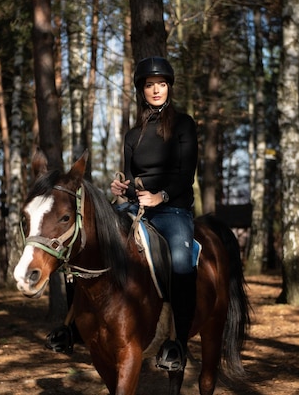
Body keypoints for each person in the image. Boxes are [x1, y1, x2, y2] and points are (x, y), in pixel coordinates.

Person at [111, 56, 198, 372]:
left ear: (169, 87)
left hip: (173, 209)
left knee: (180, 263)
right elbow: (129, 175)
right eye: (150, 85)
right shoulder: (133, 135)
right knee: (94, 245)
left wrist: (162, 196)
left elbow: (186, 173)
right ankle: (73, 326)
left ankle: (179, 344)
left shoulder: (184, 124)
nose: (156, 90)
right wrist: (121, 187)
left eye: (161, 84)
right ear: (142, 90)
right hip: (136, 208)